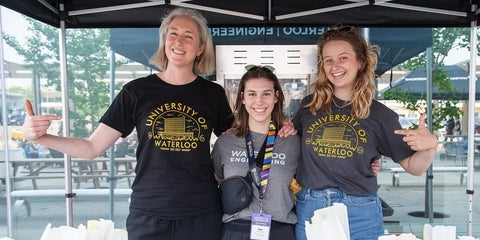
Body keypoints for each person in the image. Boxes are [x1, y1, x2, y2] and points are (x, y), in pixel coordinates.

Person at [22, 8, 235, 240]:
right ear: (164, 40)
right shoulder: (137, 91)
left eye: (188, 36)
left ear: (201, 48)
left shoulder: (212, 94)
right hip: (149, 214)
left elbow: (239, 141)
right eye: (173, 34)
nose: (179, 41)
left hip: (201, 213)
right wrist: (40, 137)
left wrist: (277, 125)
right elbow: (91, 148)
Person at [292, 26, 438, 240]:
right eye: (328, 60)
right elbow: (291, 147)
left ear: (360, 62)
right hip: (311, 205)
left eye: (343, 58)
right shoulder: (309, 106)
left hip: (360, 209)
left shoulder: (380, 115)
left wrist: (431, 145)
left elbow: (414, 167)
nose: (335, 66)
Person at [212, 65, 300, 240]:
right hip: (236, 230)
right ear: (243, 98)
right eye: (252, 94)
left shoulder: (293, 141)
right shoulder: (225, 142)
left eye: (266, 93)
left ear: (276, 97)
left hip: (280, 230)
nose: (259, 101)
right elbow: (216, 178)